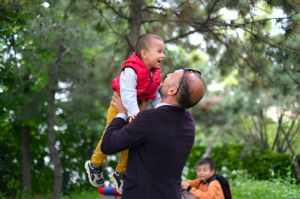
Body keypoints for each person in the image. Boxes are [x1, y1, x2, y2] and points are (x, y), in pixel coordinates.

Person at [101, 68, 205, 199]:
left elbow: (108, 144)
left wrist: (121, 113)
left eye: (172, 75)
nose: (168, 74)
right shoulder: (188, 122)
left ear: (172, 91)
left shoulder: (149, 119)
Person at [85, 33, 165, 192]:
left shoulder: (155, 72)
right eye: (159, 51)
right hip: (121, 104)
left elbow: (156, 94)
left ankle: (120, 173)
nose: (163, 55)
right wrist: (133, 113)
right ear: (144, 53)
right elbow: (127, 92)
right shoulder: (131, 69)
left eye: (163, 52)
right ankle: (95, 164)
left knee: (131, 141)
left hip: (138, 108)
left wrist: (161, 109)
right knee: (109, 135)